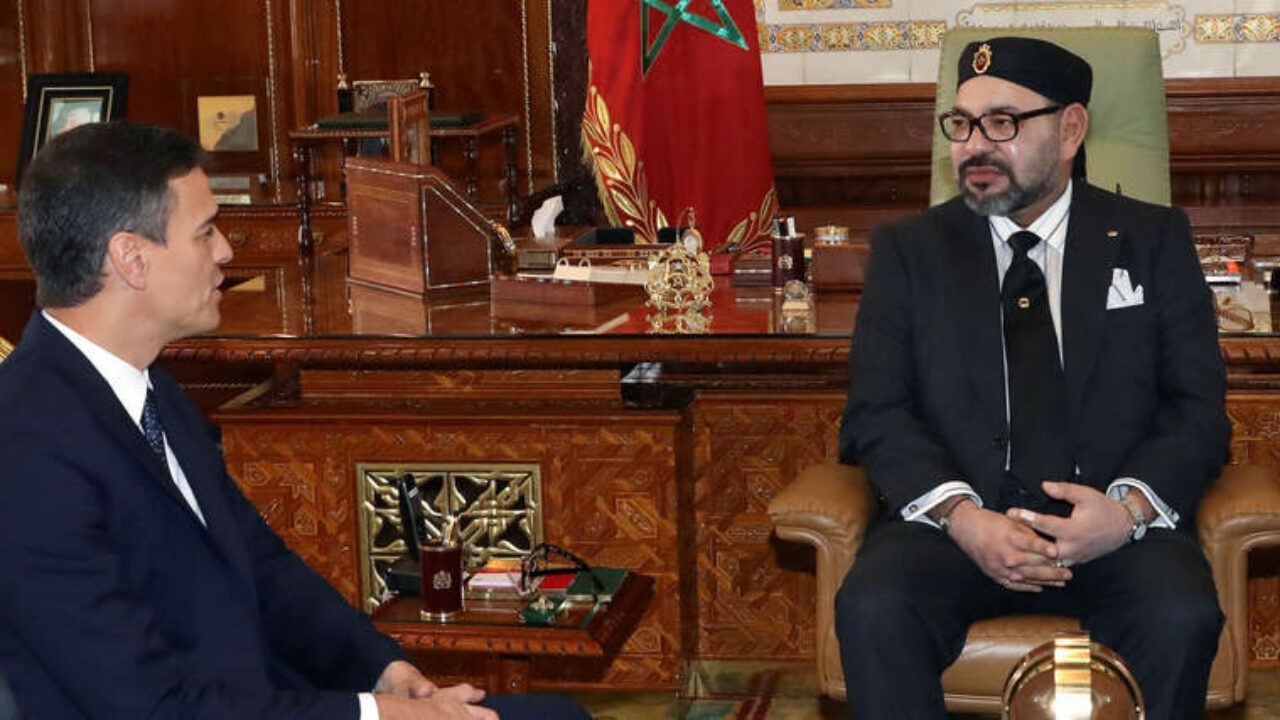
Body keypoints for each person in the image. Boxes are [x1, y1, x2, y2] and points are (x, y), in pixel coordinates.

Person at [0, 122, 590, 720]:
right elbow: (146, 706)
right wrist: (375, 715)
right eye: (204, 233)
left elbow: (262, 572)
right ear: (131, 259)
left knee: (556, 716)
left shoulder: (154, 392)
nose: (225, 251)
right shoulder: (24, 448)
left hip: (263, 702)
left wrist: (384, 673)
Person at [834, 37, 1229, 719]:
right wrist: (962, 517)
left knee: (1179, 614)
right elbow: (878, 412)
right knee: (875, 606)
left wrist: (1126, 512)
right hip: (959, 528)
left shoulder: (1153, 238)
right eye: (962, 124)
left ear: (1070, 129)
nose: (974, 146)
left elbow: (1197, 410)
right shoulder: (910, 251)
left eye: (1003, 123)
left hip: (1114, 529)